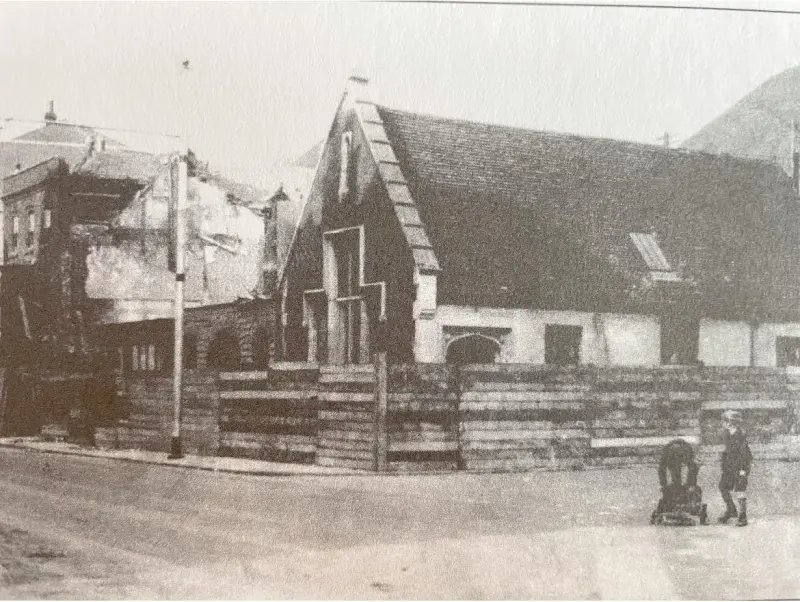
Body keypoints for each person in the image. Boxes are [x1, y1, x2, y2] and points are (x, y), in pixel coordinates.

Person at [718, 410, 752, 527]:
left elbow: (745, 454)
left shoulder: (740, 435)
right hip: (729, 466)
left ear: (730, 423)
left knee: (740, 490)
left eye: (724, 421)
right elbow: (727, 451)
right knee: (723, 487)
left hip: (739, 467)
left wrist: (743, 470)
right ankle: (731, 509)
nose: (722, 423)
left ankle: (743, 517)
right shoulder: (727, 434)